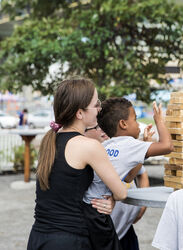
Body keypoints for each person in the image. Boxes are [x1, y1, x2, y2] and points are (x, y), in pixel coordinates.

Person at [27, 78, 127, 250]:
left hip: (39, 237)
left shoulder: (49, 141)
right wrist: (110, 199)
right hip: (69, 239)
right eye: (96, 104)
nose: (99, 109)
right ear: (80, 113)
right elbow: (121, 192)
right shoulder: (89, 146)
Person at [83, 97, 173, 250]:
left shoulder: (107, 145)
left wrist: (143, 148)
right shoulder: (129, 144)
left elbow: (129, 176)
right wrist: (159, 120)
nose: (138, 124)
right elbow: (167, 146)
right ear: (123, 124)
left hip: (88, 210)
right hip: (99, 213)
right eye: (135, 119)